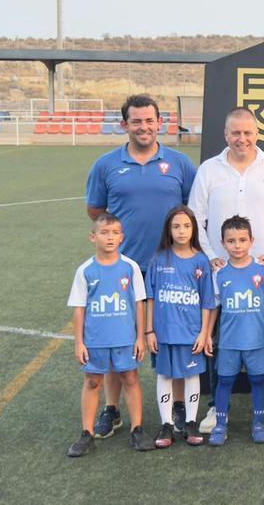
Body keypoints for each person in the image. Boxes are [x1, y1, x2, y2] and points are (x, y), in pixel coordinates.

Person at [84, 94, 196, 438]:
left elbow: (192, 211)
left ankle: (179, 407)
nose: (144, 127)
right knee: (120, 341)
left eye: (150, 120)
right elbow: (96, 212)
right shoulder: (106, 165)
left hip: (172, 269)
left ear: (159, 122)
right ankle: (112, 409)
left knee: (173, 340)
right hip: (125, 271)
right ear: (125, 125)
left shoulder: (179, 163)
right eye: (137, 121)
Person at [190, 107, 264, 432]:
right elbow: (196, 217)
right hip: (222, 272)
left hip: (263, 269)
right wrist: (210, 257)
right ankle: (213, 408)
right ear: (225, 135)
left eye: (248, 133)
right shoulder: (209, 170)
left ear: (257, 134)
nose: (242, 139)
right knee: (218, 337)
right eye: (236, 133)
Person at [66, 213, 152, 457]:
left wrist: (140, 337)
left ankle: (137, 428)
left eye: (115, 233)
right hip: (95, 340)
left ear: (122, 237)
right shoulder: (85, 271)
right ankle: (87, 433)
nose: (110, 237)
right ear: (93, 237)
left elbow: (139, 303)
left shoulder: (130, 267)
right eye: (104, 232)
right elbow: (79, 309)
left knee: (130, 378)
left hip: (125, 338)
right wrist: (79, 342)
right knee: (93, 381)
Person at [207, 215, 264, 446]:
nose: (237, 245)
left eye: (242, 240)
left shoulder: (262, 270)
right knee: (224, 381)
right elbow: (213, 307)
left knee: (258, 380)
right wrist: (208, 334)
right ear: (222, 243)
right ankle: (220, 425)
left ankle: (258, 423)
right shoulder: (219, 273)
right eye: (231, 241)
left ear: (252, 240)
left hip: (256, 341)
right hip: (229, 342)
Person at [144, 205, 214, 448]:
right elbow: (150, 297)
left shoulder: (201, 260)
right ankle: (167, 424)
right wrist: (149, 330)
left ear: (193, 228)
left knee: (191, 375)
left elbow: (207, 301)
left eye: (186, 226)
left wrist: (205, 333)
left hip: (191, 333)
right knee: (164, 375)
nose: (182, 231)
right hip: (163, 333)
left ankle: (192, 422)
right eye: (176, 226)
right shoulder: (159, 259)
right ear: (168, 230)